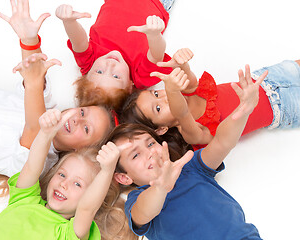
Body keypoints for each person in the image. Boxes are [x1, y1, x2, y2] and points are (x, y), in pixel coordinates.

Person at [106, 66, 268, 239]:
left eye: (151, 143)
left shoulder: (190, 168)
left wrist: (243, 111)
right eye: (135, 155)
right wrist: (161, 187)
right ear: (124, 177)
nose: (150, 153)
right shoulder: (136, 199)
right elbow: (143, 213)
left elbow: (222, 142)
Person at [0, 53, 115, 178]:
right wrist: (29, 39)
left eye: (86, 129)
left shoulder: (41, 163)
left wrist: (34, 81)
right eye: (83, 112)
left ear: (80, 150)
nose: (78, 119)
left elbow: (34, 129)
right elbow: (34, 71)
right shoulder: (45, 103)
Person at [0, 109, 121, 240]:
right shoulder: (24, 199)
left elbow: (87, 208)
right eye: (62, 175)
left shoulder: (68, 234)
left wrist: (107, 171)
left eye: (77, 184)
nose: (63, 184)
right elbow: (32, 167)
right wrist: (46, 133)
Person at [120, 48, 300, 149]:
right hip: (283, 107)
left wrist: (181, 62)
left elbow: (188, 77)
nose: (163, 98)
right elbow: (181, 112)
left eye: (156, 94)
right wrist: (172, 92)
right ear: (161, 129)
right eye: (157, 109)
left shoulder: (189, 91)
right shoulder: (189, 131)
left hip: (264, 78)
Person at [55, 0, 176, 110]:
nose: (110, 65)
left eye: (99, 71)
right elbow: (156, 56)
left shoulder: (90, 60)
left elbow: (78, 41)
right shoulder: (138, 75)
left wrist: (69, 22)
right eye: (116, 76)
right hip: (156, 3)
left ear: (87, 73)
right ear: (129, 87)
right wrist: (154, 35)